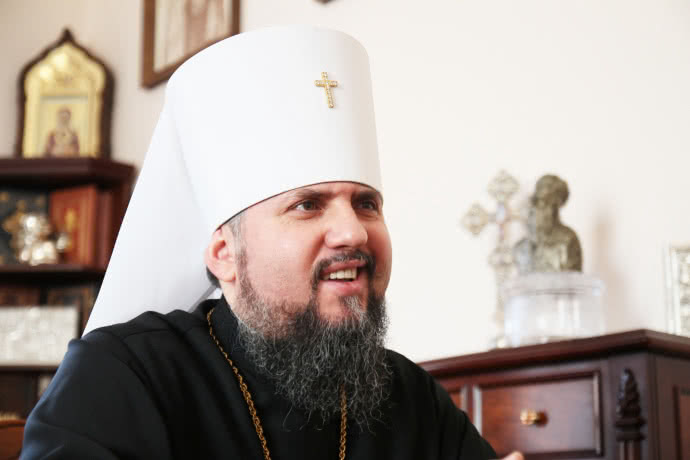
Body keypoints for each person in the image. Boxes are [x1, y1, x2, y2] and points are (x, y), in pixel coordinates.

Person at [22, 27, 523, 460]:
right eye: (307, 205)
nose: (354, 232)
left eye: (367, 203)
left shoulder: (412, 396)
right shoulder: (121, 376)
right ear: (225, 255)